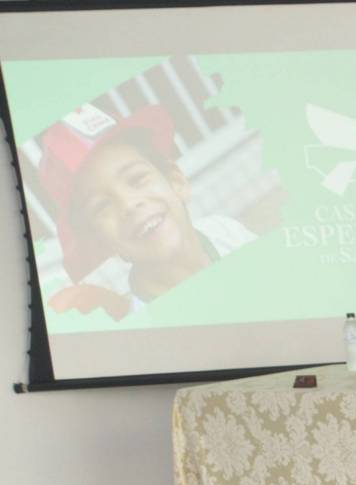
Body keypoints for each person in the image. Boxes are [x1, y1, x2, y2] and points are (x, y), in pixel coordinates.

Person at [37, 102, 257, 321]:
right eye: (102, 206)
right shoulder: (149, 323)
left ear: (176, 181)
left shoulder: (224, 230)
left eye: (137, 178)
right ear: (103, 242)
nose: (128, 205)